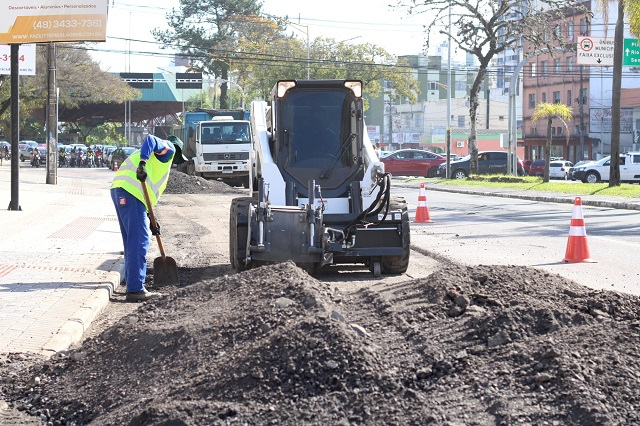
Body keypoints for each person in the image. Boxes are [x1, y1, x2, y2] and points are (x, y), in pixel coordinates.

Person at [110, 134, 187, 302]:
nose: (174, 162)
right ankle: (136, 289)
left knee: (131, 240)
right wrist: (142, 164)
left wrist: (150, 220)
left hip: (121, 191)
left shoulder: (155, 160)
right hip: (131, 193)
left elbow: (149, 193)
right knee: (140, 240)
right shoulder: (169, 149)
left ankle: (132, 282)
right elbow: (150, 139)